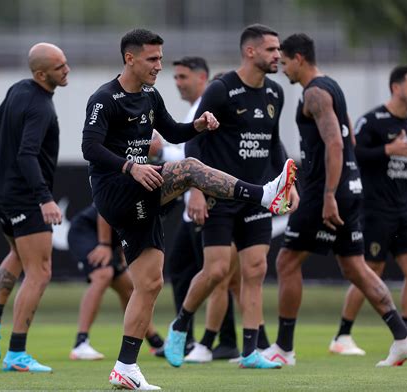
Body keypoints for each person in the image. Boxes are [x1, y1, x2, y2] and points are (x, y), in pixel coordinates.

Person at [81, 28, 296, 390]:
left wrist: (197, 125)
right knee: (192, 170)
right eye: (152, 59)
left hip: (141, 191)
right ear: (130, 58)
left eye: (161, 59)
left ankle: (125, 367)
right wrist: (131, 166)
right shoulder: (105, 98)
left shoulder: (150, 95)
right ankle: (263, 195)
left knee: (149, 283)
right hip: (116, 189)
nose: (159, 66)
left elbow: (175, 133)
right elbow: (90, 147)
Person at [261, 33, 407, 368]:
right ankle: (403, 337)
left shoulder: (315, 92)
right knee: (355, 267)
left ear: (299, 59)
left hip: (326, 191)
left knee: (286, 262)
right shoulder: (332, 86)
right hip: (350, 189)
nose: (283, 67)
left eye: (286, 61)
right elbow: (346, 128)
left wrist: (329, 195)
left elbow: (335, 143)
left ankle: (284, 348)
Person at [164, 24, 299, 370]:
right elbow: (192, 141)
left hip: (257, 198)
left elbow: (273, 144)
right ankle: (180, 325)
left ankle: (250, 352)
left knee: (255, 270)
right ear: (250, 52)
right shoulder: (221, 90)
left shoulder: (275, 94)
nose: (277, 56)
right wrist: (194, 189)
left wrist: (288, 183)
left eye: (278, 50)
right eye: (271, 50)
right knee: (216, 271)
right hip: (218, 196)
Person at [329, 65, 407, 356]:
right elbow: (354, 156)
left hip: (402, 210)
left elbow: (405, 165)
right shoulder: (373, 121)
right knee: (371, 270)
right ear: (396, 88)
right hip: (375, 209)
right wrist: (388, 150)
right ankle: (342, 336)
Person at [0, 43, 70, 372]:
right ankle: (17, 353)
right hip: (26, 196)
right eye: (59, 67)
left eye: (65, 63)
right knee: (40, 271)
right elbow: (27, 155)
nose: (66, 69)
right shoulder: (41, 106)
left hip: (3, 191)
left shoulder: (18, 89)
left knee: (18, 254)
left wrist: (7, 166)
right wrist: (44, 198)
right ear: (42, 74)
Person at [163, 58, 240, 360]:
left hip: (211, 204)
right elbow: (191, 152)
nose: (178, 82)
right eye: (176, 77)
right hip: (199, 205)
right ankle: (203, 339)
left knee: (218, 272)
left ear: (203, 79)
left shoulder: (209, 110)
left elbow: (198, 159)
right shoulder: (197, 112)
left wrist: (195, 190)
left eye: (183, 76)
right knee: (203, 271)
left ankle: (212, 341)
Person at [68, 204, 164, 360]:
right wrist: (104, 244)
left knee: (130, 289)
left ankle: (156, 343)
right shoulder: (143, 186)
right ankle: (81, 343)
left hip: (112, 240)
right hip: (86, 231)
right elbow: (104, 209)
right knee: (103, 275)